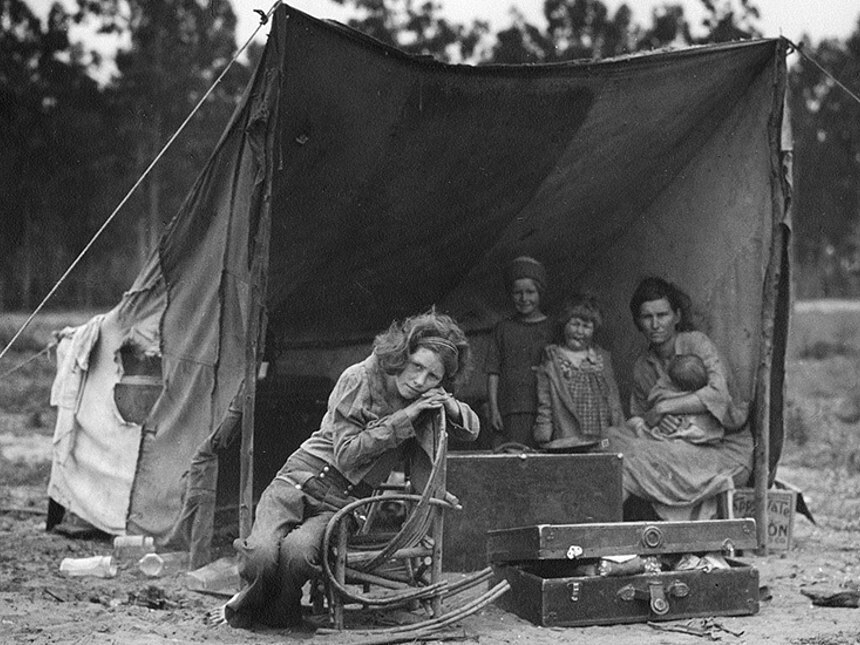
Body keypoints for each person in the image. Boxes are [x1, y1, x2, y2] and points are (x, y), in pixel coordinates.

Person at [209, 310, 479, 629]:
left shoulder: (425, 404)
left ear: (441, 382)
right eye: (416, 366)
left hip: (344, 503)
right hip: (299, 478)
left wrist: (449, 403)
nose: (420, 381)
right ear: (402, 354)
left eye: (432, 377)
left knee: (298, 554)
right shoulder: (360, 378)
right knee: (261, 555)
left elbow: (469, 430)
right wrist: (405, 417)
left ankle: (279, 613)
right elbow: (348, 455)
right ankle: (249, 606)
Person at [607, 277, 753, 521]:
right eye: (647, 317)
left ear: (676, 316)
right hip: (674, 446)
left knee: (627, 463)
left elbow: (718, 395)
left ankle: (605, 531)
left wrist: (665, 407)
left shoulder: (696, 344)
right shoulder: (643, 366)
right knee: (612, 440)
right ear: (637, 322)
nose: (655, 324)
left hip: (722, 451)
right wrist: (658, 422)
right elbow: (643, 417)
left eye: (662, 315)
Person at [532, 294, 624, 447]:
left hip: (601, 433)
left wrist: (620, 430)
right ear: (564, 325)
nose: (580, 331)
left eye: (586, 326)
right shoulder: (553, 360)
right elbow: (545, 401)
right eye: (575, 324)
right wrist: (544, 434)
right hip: (568, 434)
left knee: (603, 457)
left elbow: (613, 399)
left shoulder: (601, 358)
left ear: (594, 330)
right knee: (576, 464)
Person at [486, 256, 555, 448]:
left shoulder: (553, 328)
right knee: (514, 457)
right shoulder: (503, 328)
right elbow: (493, 372)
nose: (524, 299)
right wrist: (494, 409)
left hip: (546, 409)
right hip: (511, 409)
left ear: (540, 292)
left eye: (530, 292)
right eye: (517, 293)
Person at [627, 353, 724, 444]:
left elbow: (653, 405)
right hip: (703, 431)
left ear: (674, 385)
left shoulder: (664, 393)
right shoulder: (698, 391)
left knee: (635, 424)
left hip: (677, 431)